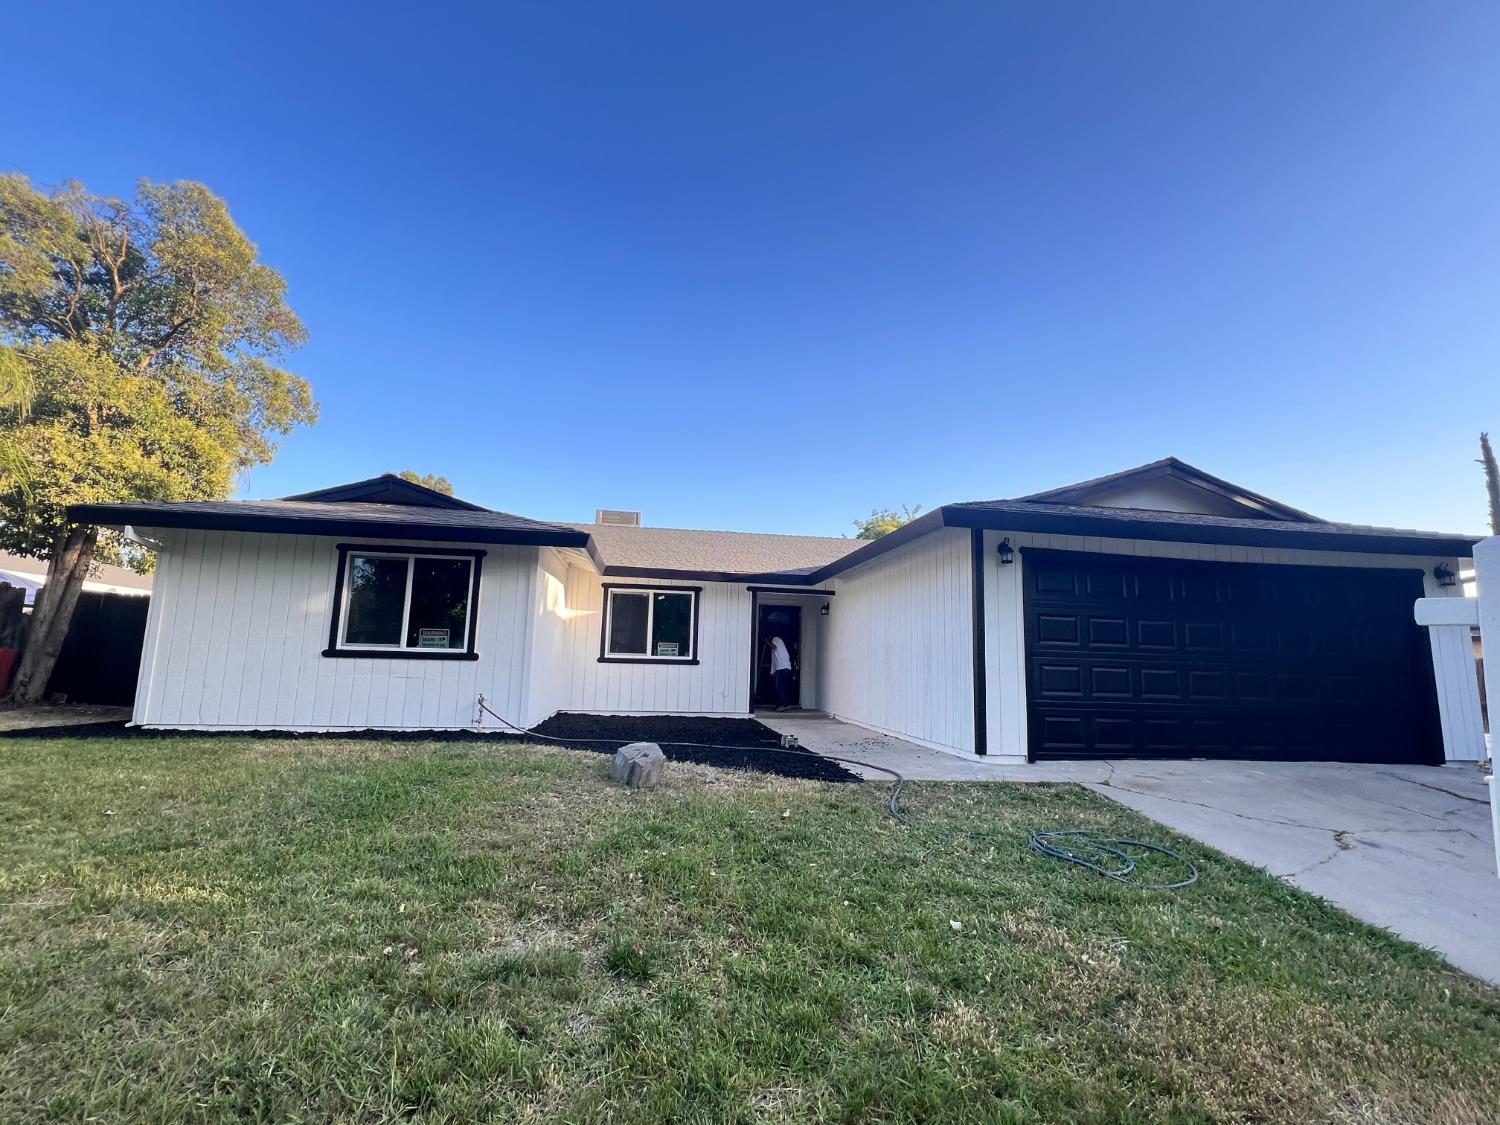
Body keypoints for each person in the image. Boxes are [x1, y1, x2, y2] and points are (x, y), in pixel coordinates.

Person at [768, 634, 795, 711]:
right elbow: (775, 657)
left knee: (779, 687)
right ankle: (780, 704)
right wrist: (773, 671)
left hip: (782, 668)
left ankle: (786, 704)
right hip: (785, 667)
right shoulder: (780, 642)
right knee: (782, 687)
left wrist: (766, 641)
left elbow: (773, 647)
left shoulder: (776, 639)